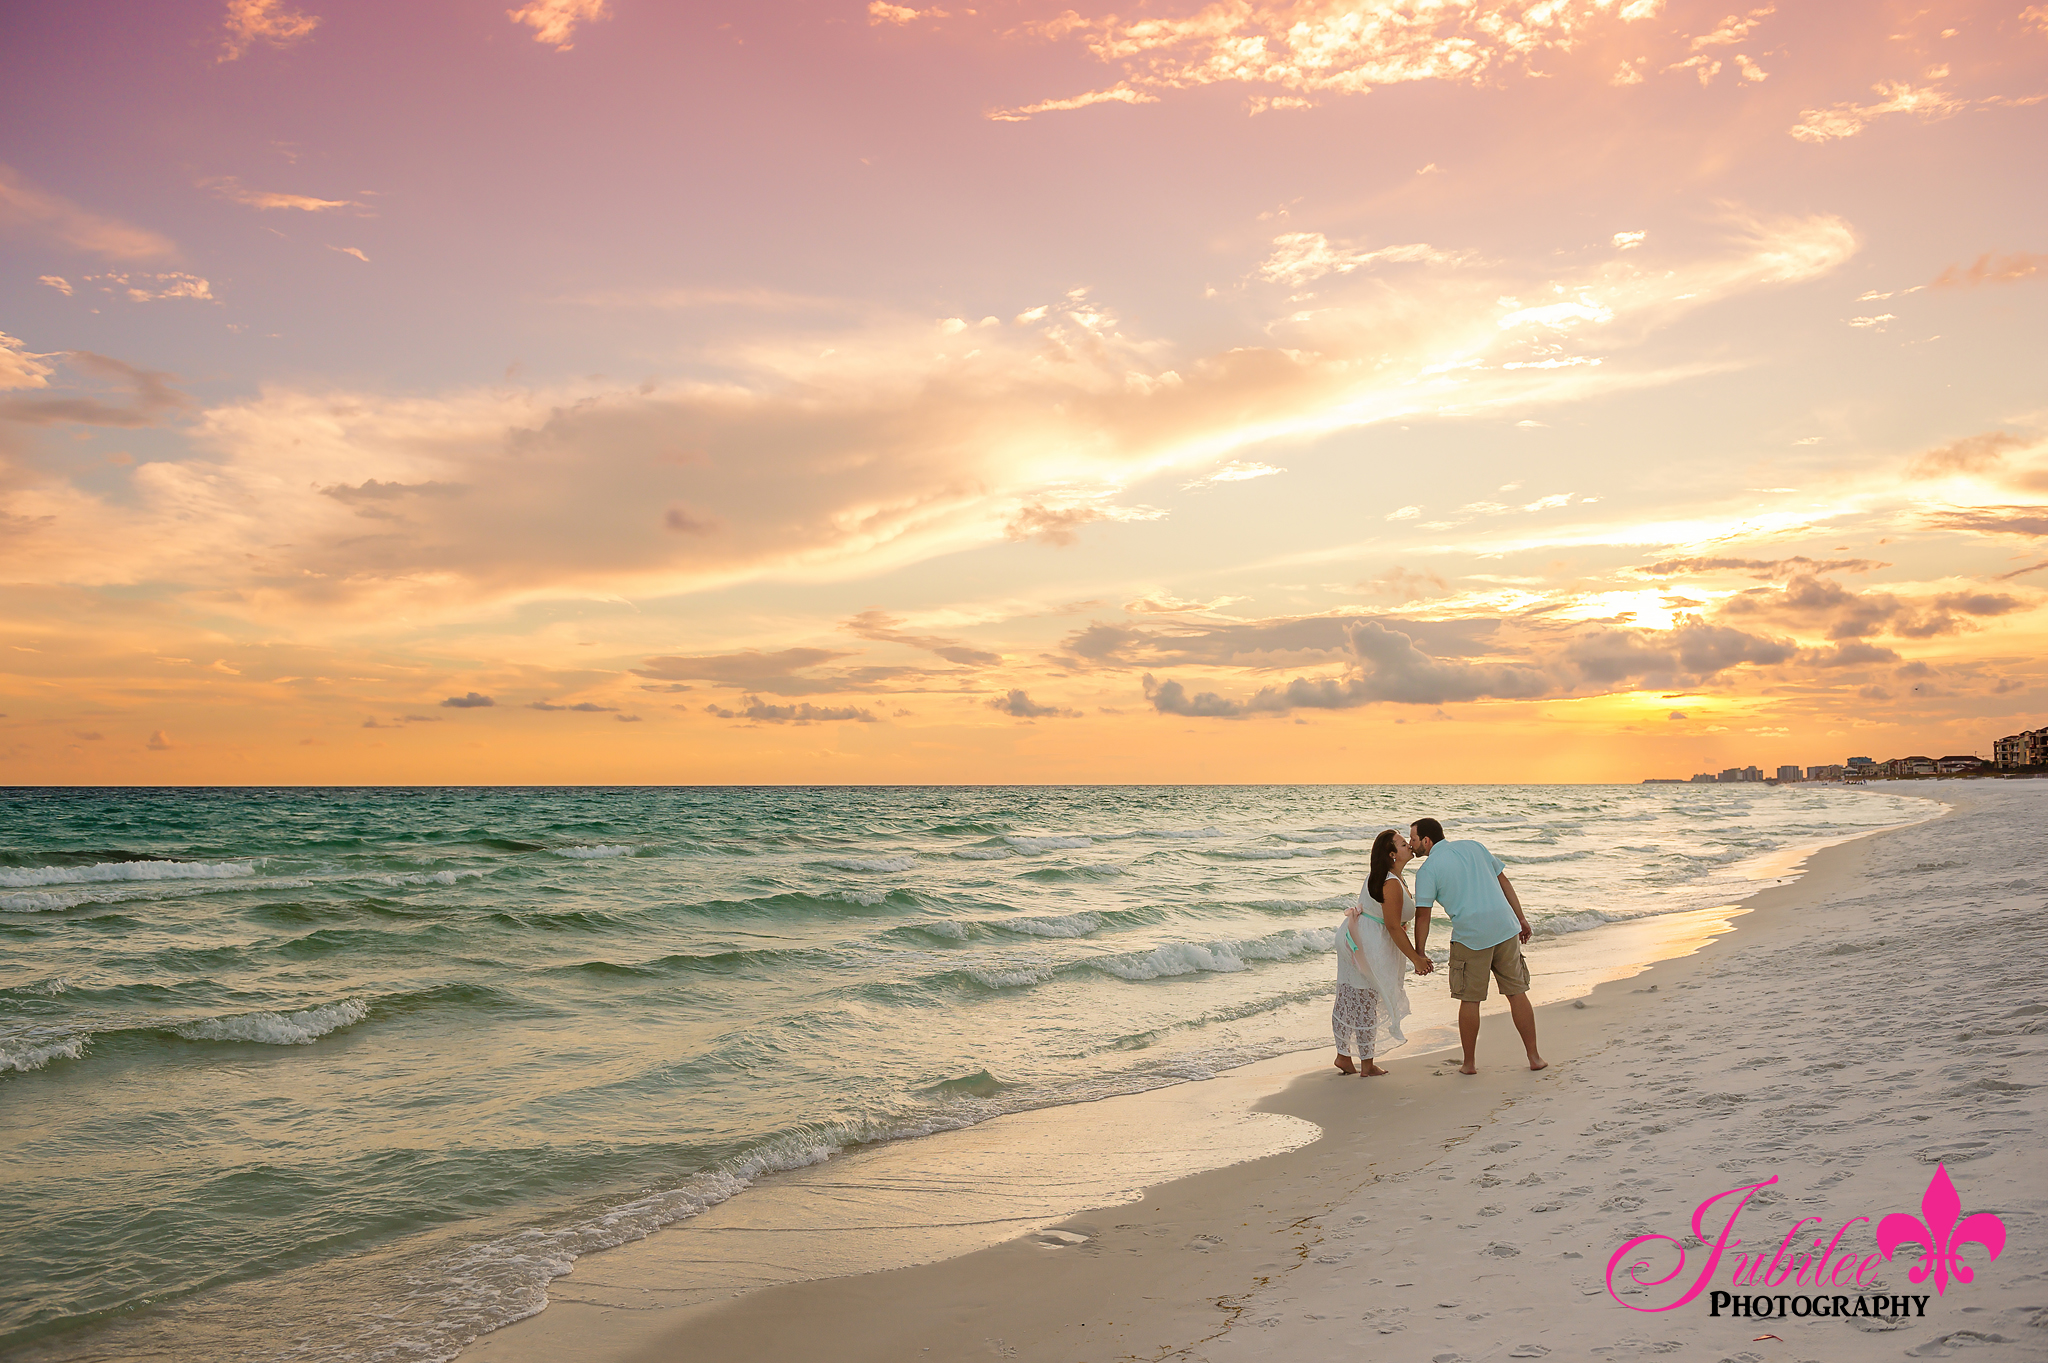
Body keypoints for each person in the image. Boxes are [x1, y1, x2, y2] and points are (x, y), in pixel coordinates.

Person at [1408, 817, 1547, 1076]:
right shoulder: (1475, 846)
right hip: (1505, 928)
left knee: (1470, 1000)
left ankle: (1469, 1064)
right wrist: (1521, 917)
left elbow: (1423, 916)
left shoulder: (1428, 870)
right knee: (1517, 993)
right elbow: (1504, 881)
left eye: (1413, 839)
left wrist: (1420, 952)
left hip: (1472, 937)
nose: (1410, 844)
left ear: (1427, 841)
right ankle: (1534, 1057)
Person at [1332, 829, 1435, 1076]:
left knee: (1349, 993)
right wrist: (1416, 958)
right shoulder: (1390, 882)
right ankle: (1366, 1064)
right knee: (1365, 997)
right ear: (1392, 854)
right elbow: (1391, 926)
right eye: (1402, 843)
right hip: (1368, 941)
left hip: (1356, 935)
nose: (1409, 845)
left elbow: (1389, 919)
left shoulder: (1388, 877)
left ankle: (1343, 1056)